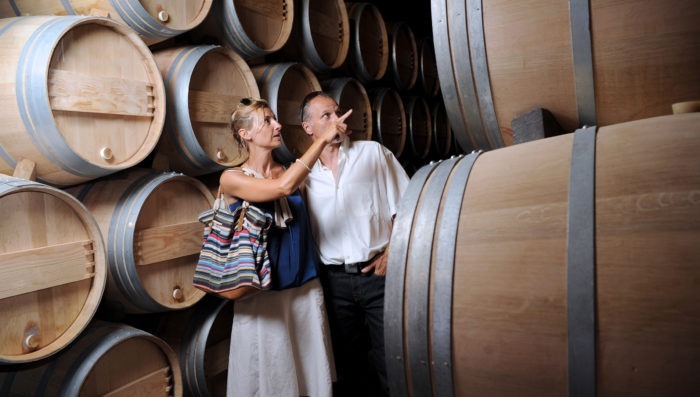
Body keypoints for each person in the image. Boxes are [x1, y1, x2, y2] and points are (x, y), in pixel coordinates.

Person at [222, 97, 352, 397]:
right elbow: (281, 189)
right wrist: (321, 138)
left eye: (275, 118)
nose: (277, 125)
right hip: (263, 301)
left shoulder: (293, 173)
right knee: (271, 380)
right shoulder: (232, 179)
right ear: (246, 134)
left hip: (305, 291)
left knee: (309, 378)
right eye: (267, 121)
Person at [300, 91, 410, 397]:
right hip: (335, 283)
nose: (338, 120)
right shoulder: (304, 176)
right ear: (308, 127)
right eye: (327, 116)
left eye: (337, 113)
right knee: (350, 366)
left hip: (379, 276)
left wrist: (392, 251)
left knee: (393, 359)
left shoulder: (372, 153)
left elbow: (410, 206)